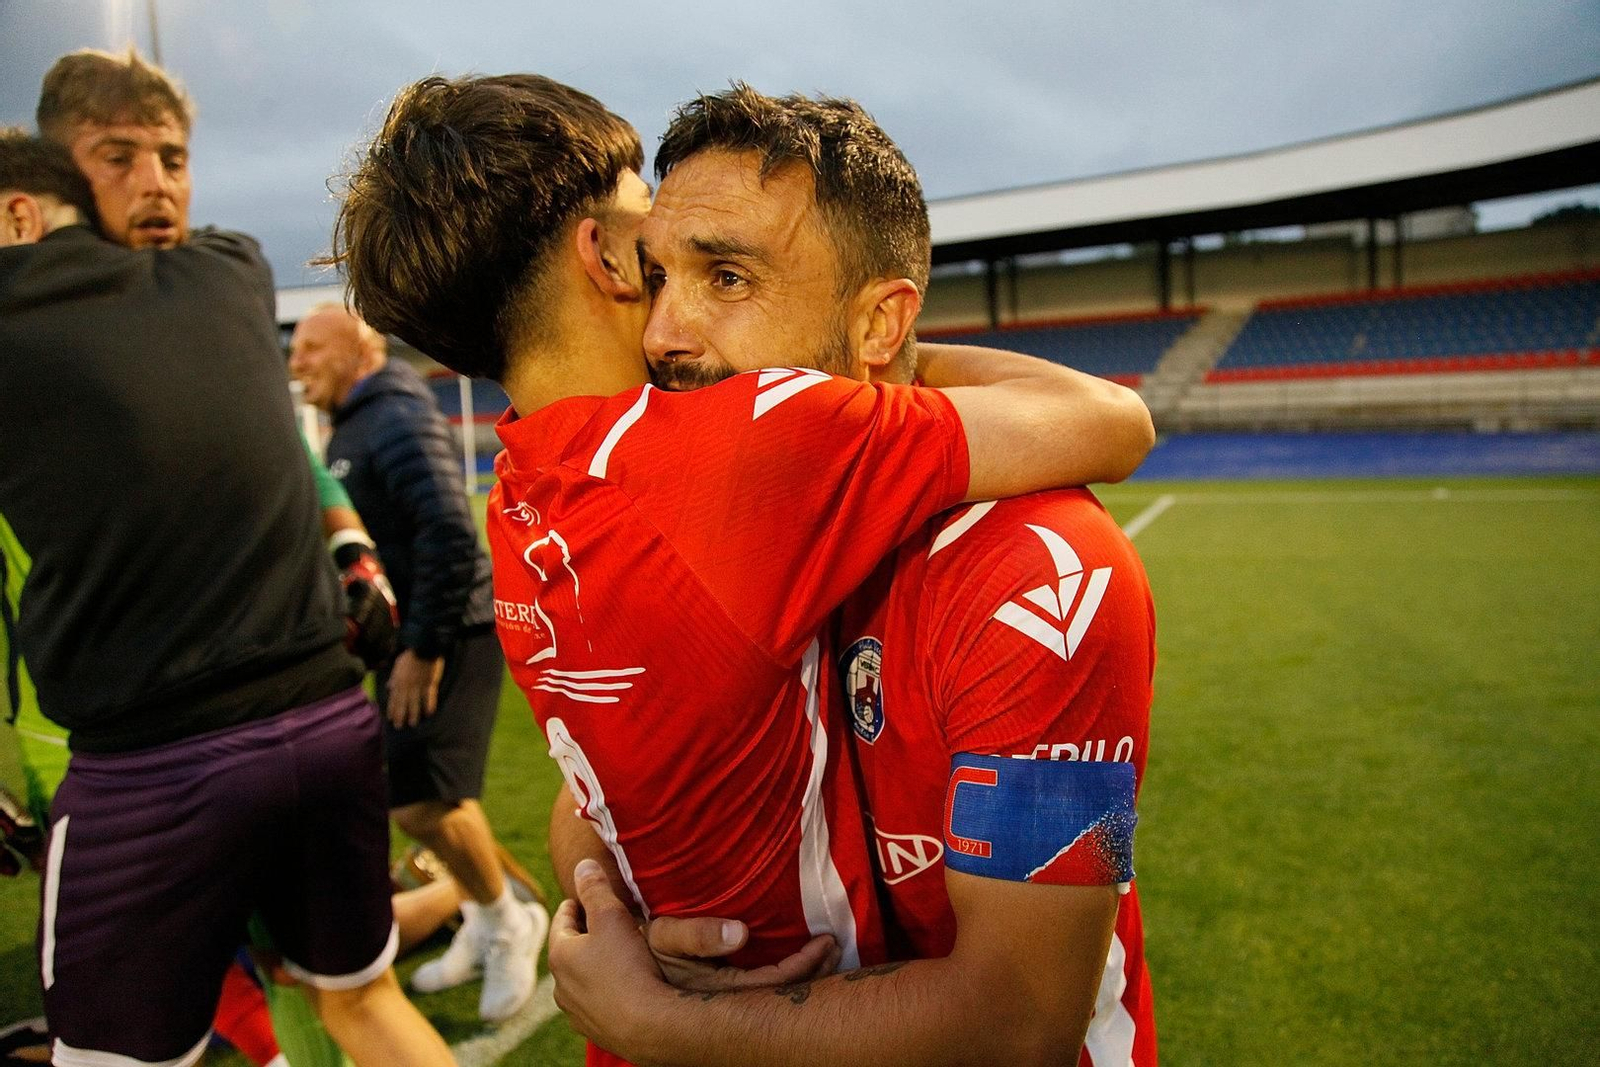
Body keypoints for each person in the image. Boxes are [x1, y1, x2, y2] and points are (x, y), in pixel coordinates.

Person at [330, 71, 1151, 1066]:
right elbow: (602, 766)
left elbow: (1023, 1019)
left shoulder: (1051, 571)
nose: (665, 332)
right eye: (660, 273)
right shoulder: (706, 481)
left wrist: (663, 1018)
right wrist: (605, 887)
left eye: (725, 279)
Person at [5, 55, 454, 1067]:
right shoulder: (233, 269)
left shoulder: (165, 284)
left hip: (155, 755)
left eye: (172, 157)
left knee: (109, 1059)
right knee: (359, 1001)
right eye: (117, 158)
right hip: (324, 723)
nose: (157, 181)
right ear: (62, 181)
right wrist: (349, 544)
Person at [289, 302, 548, 1022]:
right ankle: (487, 915)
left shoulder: (395, 414)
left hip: (450, 634)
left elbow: (448, 529)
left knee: (423, 802)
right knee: (436, 798)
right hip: (421, 636)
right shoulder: (360, 420)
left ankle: (509, 921)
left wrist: (424, 650)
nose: (297, 361)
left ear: (358, 352)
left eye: (311, 348)